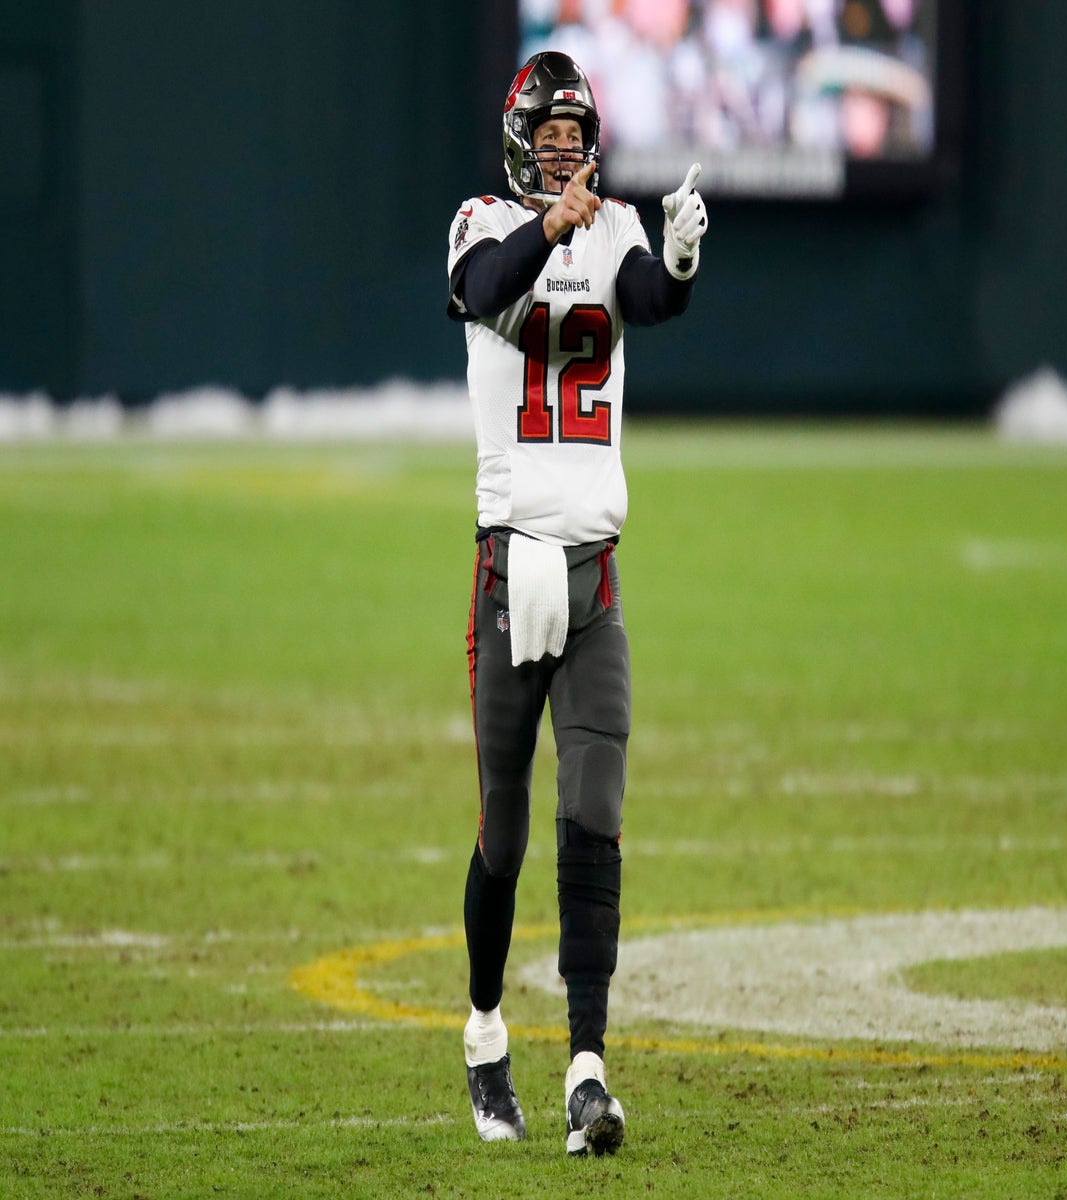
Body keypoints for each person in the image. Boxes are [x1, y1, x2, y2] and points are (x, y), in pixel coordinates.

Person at [445, 49, 708, 1157]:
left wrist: (683, 259)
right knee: (504, 829)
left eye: (574, 140)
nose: (563, 157)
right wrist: (549, 225)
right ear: (519, 147)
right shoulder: (479, 223)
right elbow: (479, 290)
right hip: (511, 571)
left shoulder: (612, 228)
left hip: (594, 572)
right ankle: (485, 1031)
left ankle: (588, 1072)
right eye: (546, 140)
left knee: (594, 811)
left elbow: (646, 301)